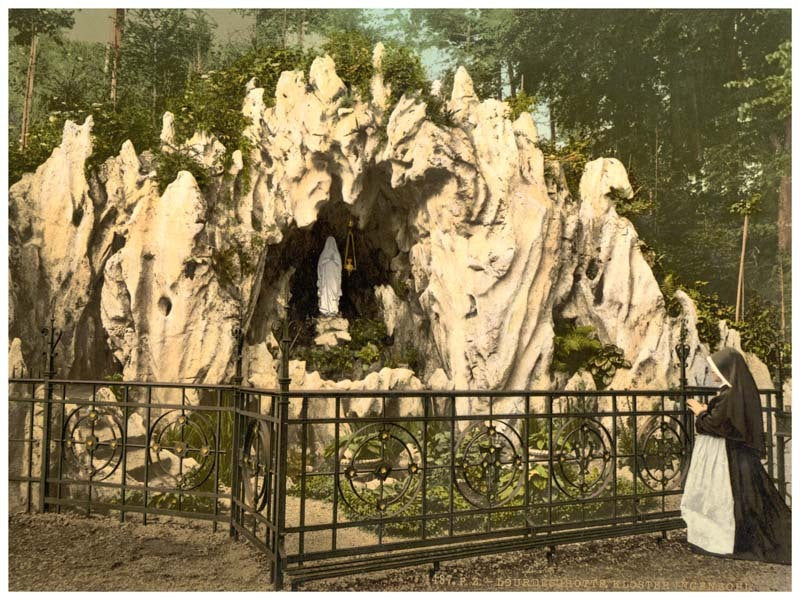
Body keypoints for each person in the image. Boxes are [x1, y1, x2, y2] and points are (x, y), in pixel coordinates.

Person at [681, 347, 791, 564]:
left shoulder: (729, 394)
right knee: (756, 500)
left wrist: (699, 411)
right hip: (743, 456)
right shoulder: (741, 390)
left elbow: (714, 424)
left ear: (726, 370)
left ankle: (736, 540)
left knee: (739, 501)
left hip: (733, 458)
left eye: (716, 369)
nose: (713, 373)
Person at [317, 236, 342, 316]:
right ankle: (325, 309)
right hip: (326, 279)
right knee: (325, 292)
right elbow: (320, 266)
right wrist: (328, 260)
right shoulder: (323, 254)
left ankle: (333, 310)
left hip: (333, 279)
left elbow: (340, 267)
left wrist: (333, 260)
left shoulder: (336, 255)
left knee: (334, 292)